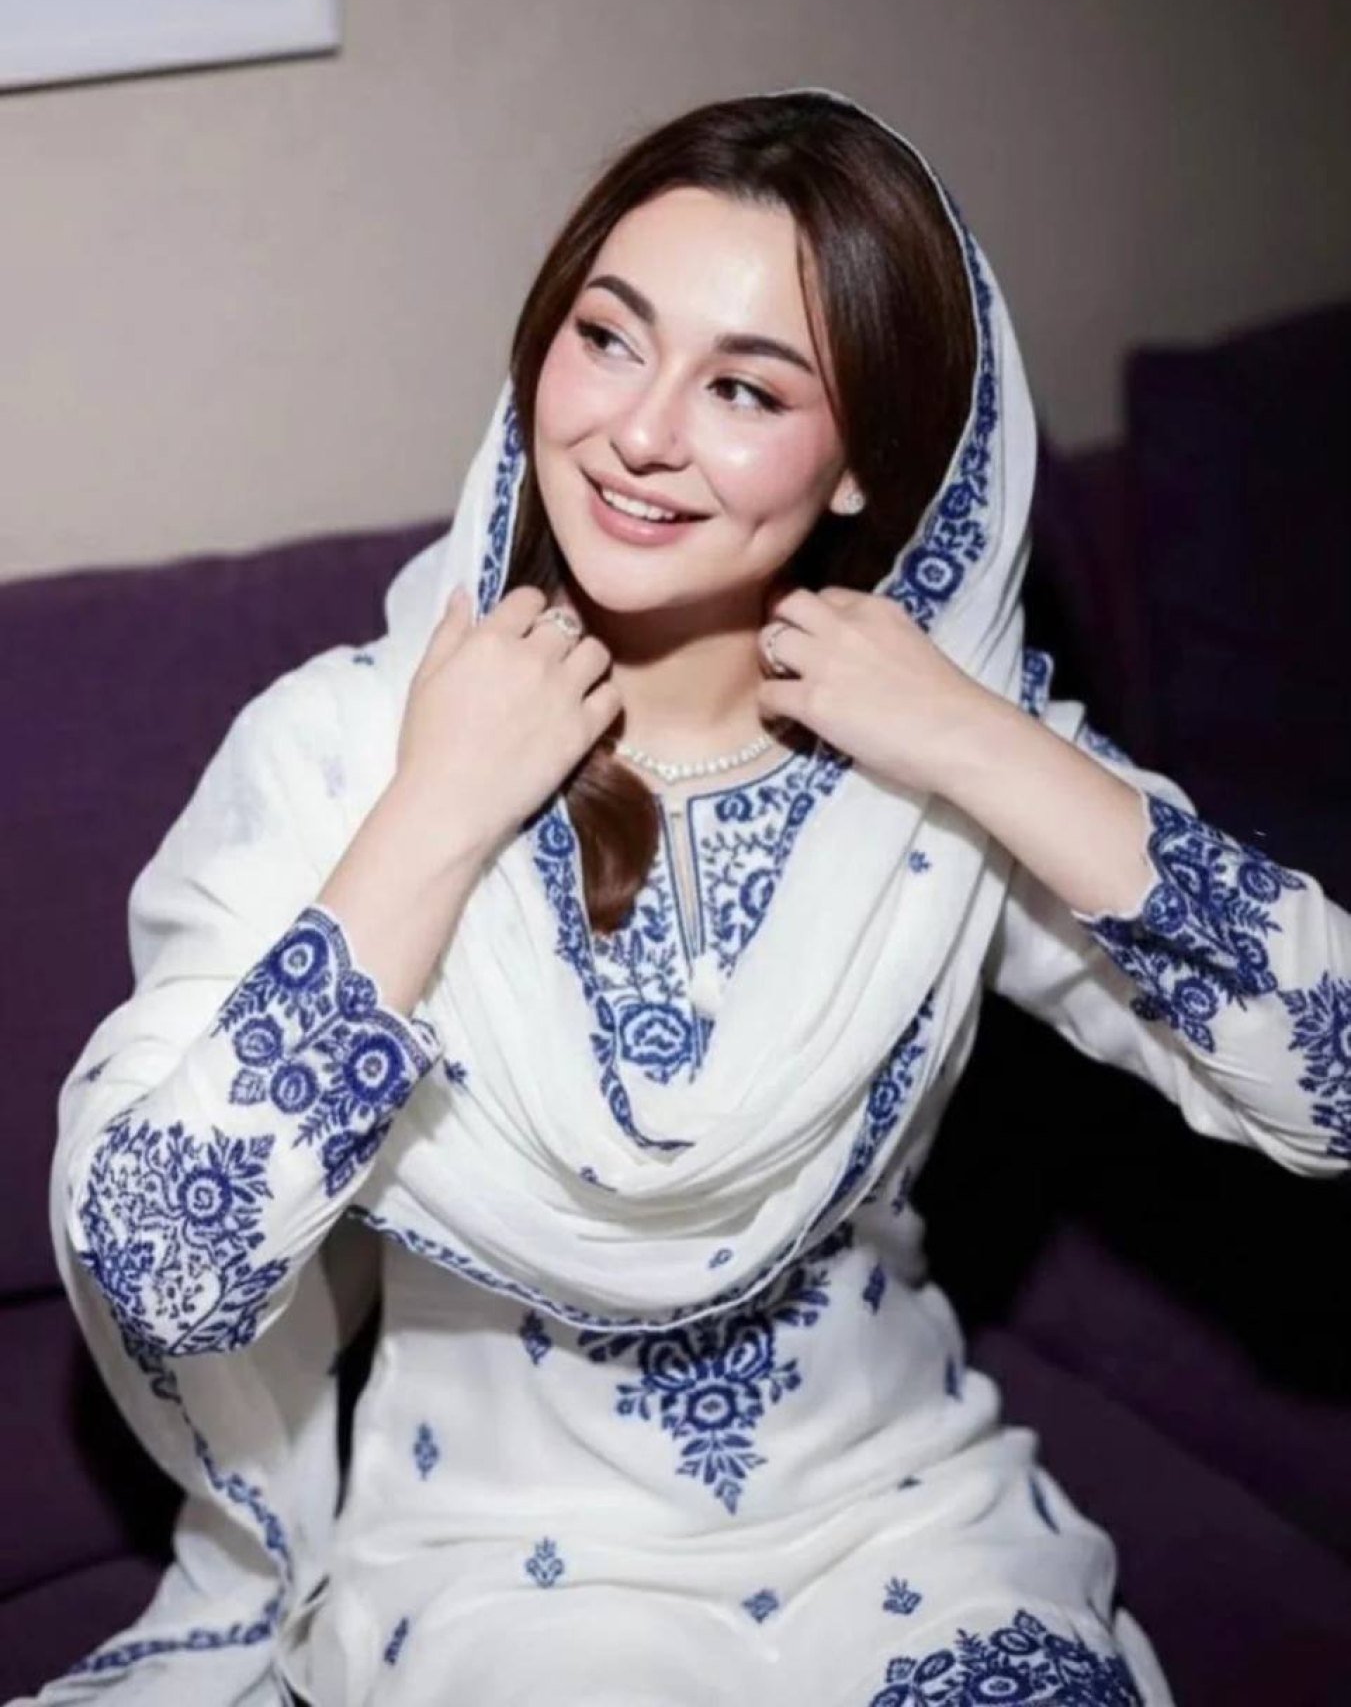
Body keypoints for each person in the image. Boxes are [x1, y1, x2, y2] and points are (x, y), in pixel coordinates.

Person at [32, 87, 1348, 1707]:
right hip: (506, 1573)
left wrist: (975, 741)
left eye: (745, 387)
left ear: (863, 464)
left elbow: (1336, 1080)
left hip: (902, 1525)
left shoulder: (943, 775)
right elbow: (165, 1269)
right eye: (608, 338)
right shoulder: (346, 749)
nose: (639, 432)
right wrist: (439, 807)